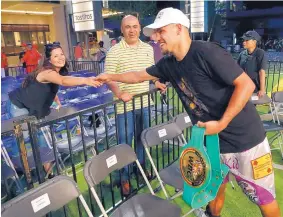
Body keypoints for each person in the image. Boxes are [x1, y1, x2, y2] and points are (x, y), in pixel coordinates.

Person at [96, 8, 280, 217]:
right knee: (213, 194)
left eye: (160, 31)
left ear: (178, 28)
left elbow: (246, 85)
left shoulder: (206, 52)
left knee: (264, 200)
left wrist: (221, 123)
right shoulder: (168, 65)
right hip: (213, 144)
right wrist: (109, 76)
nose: (156, 38)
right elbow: (139, 75)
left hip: (246, 142)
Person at [8, 42, 101, 177]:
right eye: (55, 56)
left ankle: (47, 168)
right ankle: (16, 164)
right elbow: (62, 81)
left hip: (35, 107)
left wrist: (55, 98)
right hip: (19, 105)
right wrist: (86, 80)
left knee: (40, 134)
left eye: (61, 54)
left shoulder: (55, 72)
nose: (60, 57)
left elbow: (51, 86)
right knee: (23, 136)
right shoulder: (47, 71)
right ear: (49, 59)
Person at [104, 15, 166, 196]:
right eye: (128, 27)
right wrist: (119, 94)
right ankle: (124, 177)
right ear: (122, 30)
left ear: (140, 28)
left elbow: (149, 73)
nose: (132, 30)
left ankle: (140, 168)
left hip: (145, 103)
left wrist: (156, 83)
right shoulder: (114, 51)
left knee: (142, 139)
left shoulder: (148, 49)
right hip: (124, 107)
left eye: (135, 26)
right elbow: (109, 77)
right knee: (124, 143)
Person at [238, 30, 267, 98]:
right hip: (242, 87)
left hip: (255, 88)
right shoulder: (242, 54)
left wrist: (262, 89)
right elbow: (237, 70)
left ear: (254, 41)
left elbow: (261, 71)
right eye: (243, 40)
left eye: (247, 40)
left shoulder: (260, 53)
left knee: (251, 106)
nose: (244, 42)